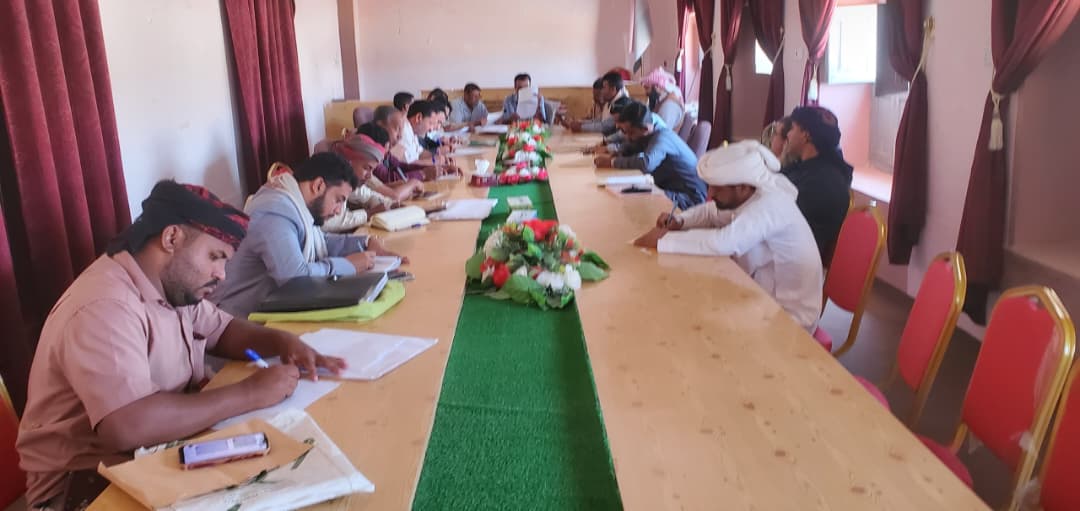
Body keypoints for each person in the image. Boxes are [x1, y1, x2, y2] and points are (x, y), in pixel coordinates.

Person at [15, 181, 347, 508]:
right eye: (215, 257)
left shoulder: (173, 286)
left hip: (151, 454)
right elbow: (126, 426)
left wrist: (282, 341)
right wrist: (250, 393)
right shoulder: (105, 305)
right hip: (84, 487)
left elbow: (223, 331)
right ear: (172, 238)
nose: (222, 274)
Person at [632, 141, 823, 332]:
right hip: (757, 293)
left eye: (717, 188)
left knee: (694, 320)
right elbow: (710, 212)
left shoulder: (770, 204)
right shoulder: (750, 194)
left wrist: (663, 240)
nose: (710, 193)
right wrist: (680, 221)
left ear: (743, 187)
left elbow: (723, 243)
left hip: (788, 319)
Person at [210, 152, 406, 318]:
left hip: (270, 312)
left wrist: (366, 242)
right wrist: (349, 265)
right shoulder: (274, 212)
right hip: (238, 323)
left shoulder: (296, 203)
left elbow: (321, 241)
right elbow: (295, 278)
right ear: (318, 186)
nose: (339, 210)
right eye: (338, 200)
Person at [594, 102, 706, 209]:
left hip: (688, 198)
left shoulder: (662, 137)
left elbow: (647, 163)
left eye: (630, 132)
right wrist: (618, 153)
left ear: (645, 129)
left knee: (633, 201)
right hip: (670, 189)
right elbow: (632, 147)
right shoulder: (647, 135)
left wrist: (612, 162)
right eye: (624, 132)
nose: (627, 137)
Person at [781, 106, 853, 264]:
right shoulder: (806, 168)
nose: (788, 134)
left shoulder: (822, 183)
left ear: (806, 135)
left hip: (795, 262)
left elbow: (779, 219)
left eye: (792, 128)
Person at [321, 133, 423, 233]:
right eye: (367, 168)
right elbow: (328, 223)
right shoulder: (331, 181)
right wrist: (369, 214)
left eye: (372, 170)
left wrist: (390, 205)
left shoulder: (350, 182)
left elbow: (369, 195)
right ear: (349, 162)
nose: (369, 176)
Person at [566, 71, 630, 134]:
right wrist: (581, 123)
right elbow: (602, 120)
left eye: (604, 88)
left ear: (613, 89)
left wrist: (581, 127)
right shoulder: (612, 101)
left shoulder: (621, 104)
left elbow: (606, 126)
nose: (602, 91)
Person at [392, 100, 442, 164]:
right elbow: (404, 165)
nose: (431, 129)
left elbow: (420, 153)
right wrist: (433, 161)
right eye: (430, 123)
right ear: (418, 118)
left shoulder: (413, 132)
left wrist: (438, 156)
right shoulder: (403, 132)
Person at [641, 66, 685, 133]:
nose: (646, 93)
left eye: (647, 88)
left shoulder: (669, 106)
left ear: (657, 87)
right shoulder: (663, 101)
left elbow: (661, 133)